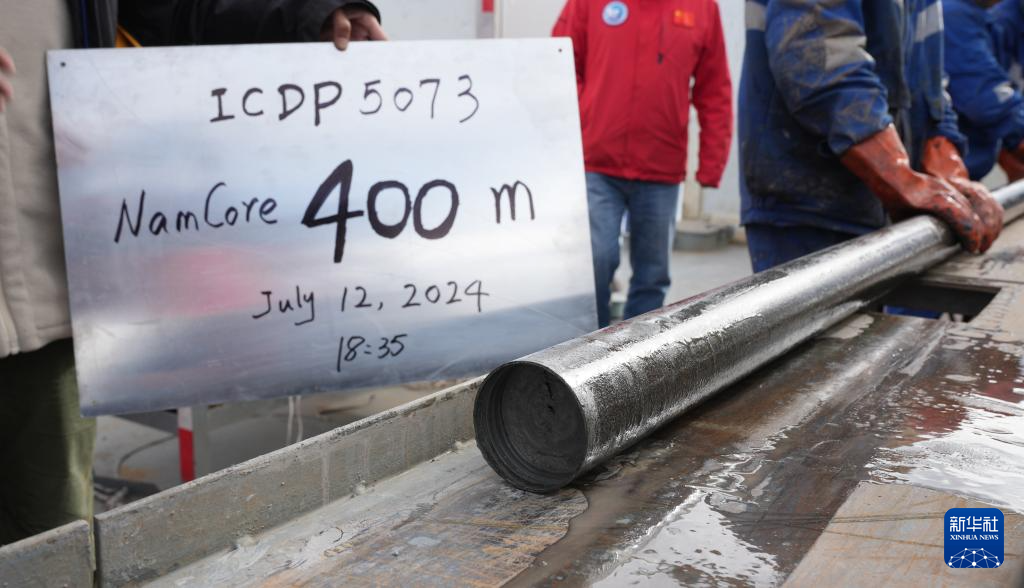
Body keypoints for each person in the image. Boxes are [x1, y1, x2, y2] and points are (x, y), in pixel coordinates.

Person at [0, 0, 383, 546]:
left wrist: (306, 17)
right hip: (44, 281)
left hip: (46, 285)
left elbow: (178, 11)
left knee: (48, 540)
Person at [740, 0, 1004, 273]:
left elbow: (930, 81)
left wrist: (949, 172)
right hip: (808, 204)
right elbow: (819, 57)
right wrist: (901, 180)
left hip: (884, 205)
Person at [553, 0, 732, 327]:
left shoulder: (702, 8)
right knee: (594, 262)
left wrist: (712, 162)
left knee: (652, 274)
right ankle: (589, 347)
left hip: (660, 168)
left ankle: (638, 352)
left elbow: (715, 89)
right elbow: (559, 61)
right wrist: (587, 115)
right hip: (598, 163)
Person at [944, 0, 1024, 181]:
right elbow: (985, 99)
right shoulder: (954, 15)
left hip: (966, 173)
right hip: (944, 176)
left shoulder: (987, 17)